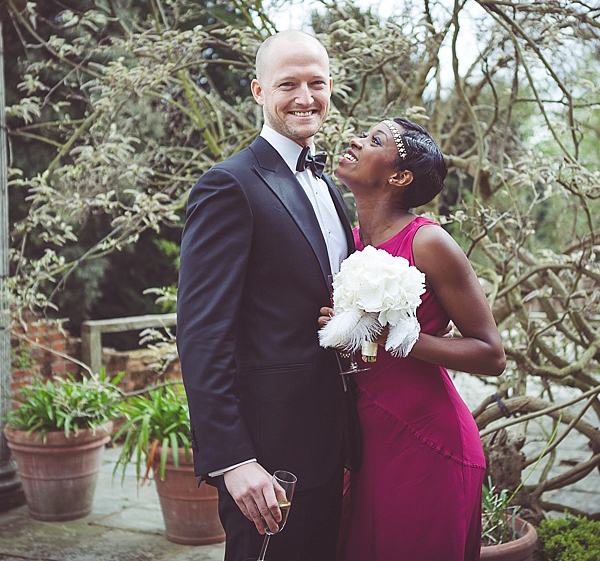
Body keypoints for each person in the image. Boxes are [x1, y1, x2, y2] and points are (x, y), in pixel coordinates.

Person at [176, 30, 355, 561]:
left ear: (331, 87)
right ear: (258, 91)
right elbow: (202, 334)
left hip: (333, 445)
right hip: (267, 459)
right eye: (287, 85)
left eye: (316, 83)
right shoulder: (228, 185)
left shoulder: (331, 184)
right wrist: (234, 461)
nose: (305, 97)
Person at [320, 117, 507, 561]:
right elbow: (354, 345)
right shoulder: (344, 243)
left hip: (427, 445)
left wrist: (400, 338)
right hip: (364, 443)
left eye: (374, 140)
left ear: (399, 177)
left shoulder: (429, 243)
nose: (355, 141)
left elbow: (491, 353)